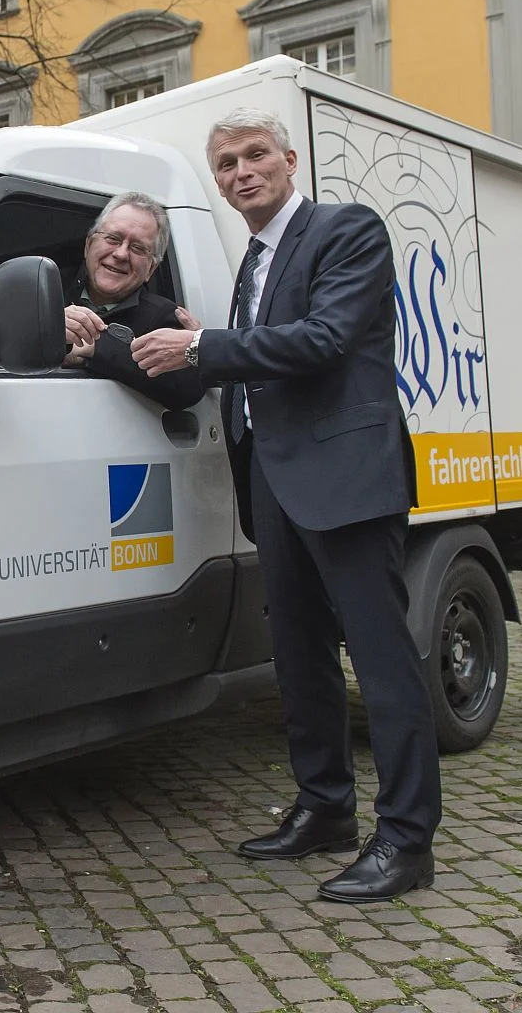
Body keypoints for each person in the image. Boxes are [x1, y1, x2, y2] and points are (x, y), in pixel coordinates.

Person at [129, 108, 441, 904]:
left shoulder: (346, 230)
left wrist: (205, 346)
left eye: (255, 155)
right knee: (299, 658)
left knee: (381, 661)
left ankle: (406, 841)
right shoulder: (254, 261)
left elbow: (324, 340)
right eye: (226, 162)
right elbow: (269, 351)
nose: (241, 172)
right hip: (271, 475)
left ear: (290, 161)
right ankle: (325, 808)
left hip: (346, 477)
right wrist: (220, 337)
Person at [62, 192, 203, 411]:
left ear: (151, 269)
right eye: (113, 239)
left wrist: (94, 348)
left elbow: (188, 387)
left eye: (137, 248)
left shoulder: (164, 317)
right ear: (88, 244)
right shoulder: (46, 292)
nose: (120, 254)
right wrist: (48, 331)